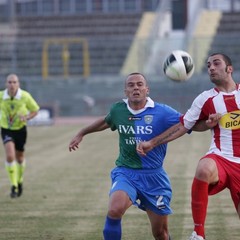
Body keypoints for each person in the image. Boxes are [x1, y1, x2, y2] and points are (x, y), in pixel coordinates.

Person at [69, 72, 209, 240]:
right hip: (126, 172)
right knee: (115, 209)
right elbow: (106, 121)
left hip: (154, 177)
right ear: (125, 91)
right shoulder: (118, 110)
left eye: (139, 84)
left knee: (160, 233)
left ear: (146, 89)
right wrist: (82, 132)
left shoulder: (162, 112)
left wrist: (208, 123)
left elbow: (188, 124)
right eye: (131, 85)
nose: (136, 87)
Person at [137, 53, 240, 240]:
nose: (211, 68)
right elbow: (184, 125)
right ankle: (198, 233)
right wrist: (152, 142)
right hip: (221, 158)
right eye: (208, 65)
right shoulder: (205, 98)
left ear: (229, 69)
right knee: (204, 168)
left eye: (216, 63)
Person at [0, 74, 40, 198]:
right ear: (6, 84)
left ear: (18, 84)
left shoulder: (25, 96)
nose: (12, 85)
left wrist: (27, 117)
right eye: (9, 82)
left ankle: (20, 180)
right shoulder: (1, 96)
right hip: (6, 128)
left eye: (14, 82)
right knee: (10, 156)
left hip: (20, 129)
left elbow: (35, 110)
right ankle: (14, 186)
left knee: (20, 158)